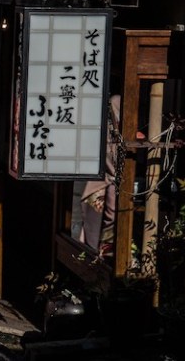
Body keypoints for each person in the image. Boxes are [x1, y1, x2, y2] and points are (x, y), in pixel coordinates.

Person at [78, 94, 121, 257]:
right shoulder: (106, 132)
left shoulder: (117, 133)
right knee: (97, 216)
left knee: (110, 212)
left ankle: (101, 252)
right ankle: (96, 252)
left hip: (110, 178)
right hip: (102, 178)